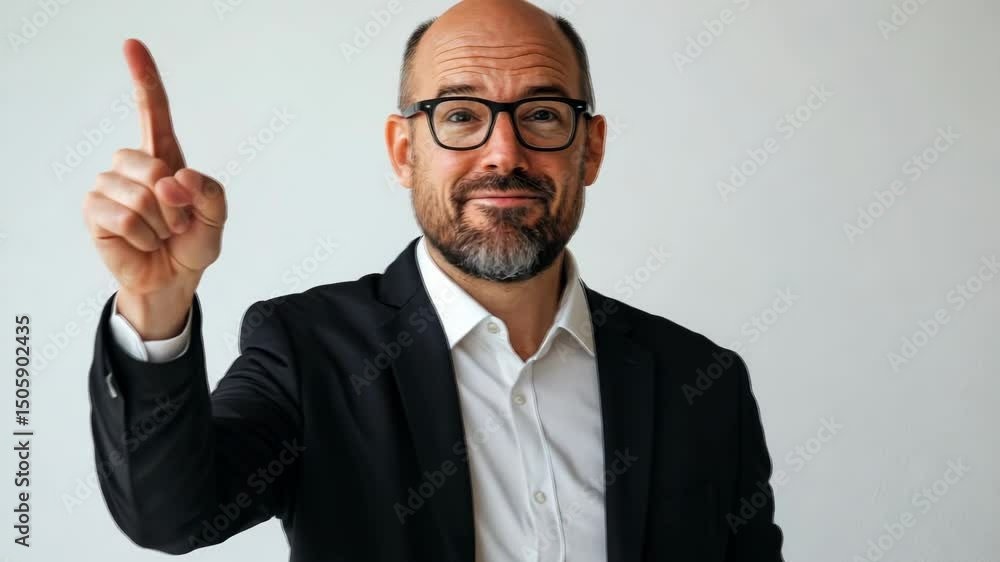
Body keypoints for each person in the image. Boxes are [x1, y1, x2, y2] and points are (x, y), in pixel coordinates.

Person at [81, 0, 785, 560]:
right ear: (403, 151)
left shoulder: (703, 381)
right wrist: (155, 301)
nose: (503, 153)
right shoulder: (308, 350)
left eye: (543, 115)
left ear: (590, 148)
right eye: (460, 116)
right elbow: (174, 516)